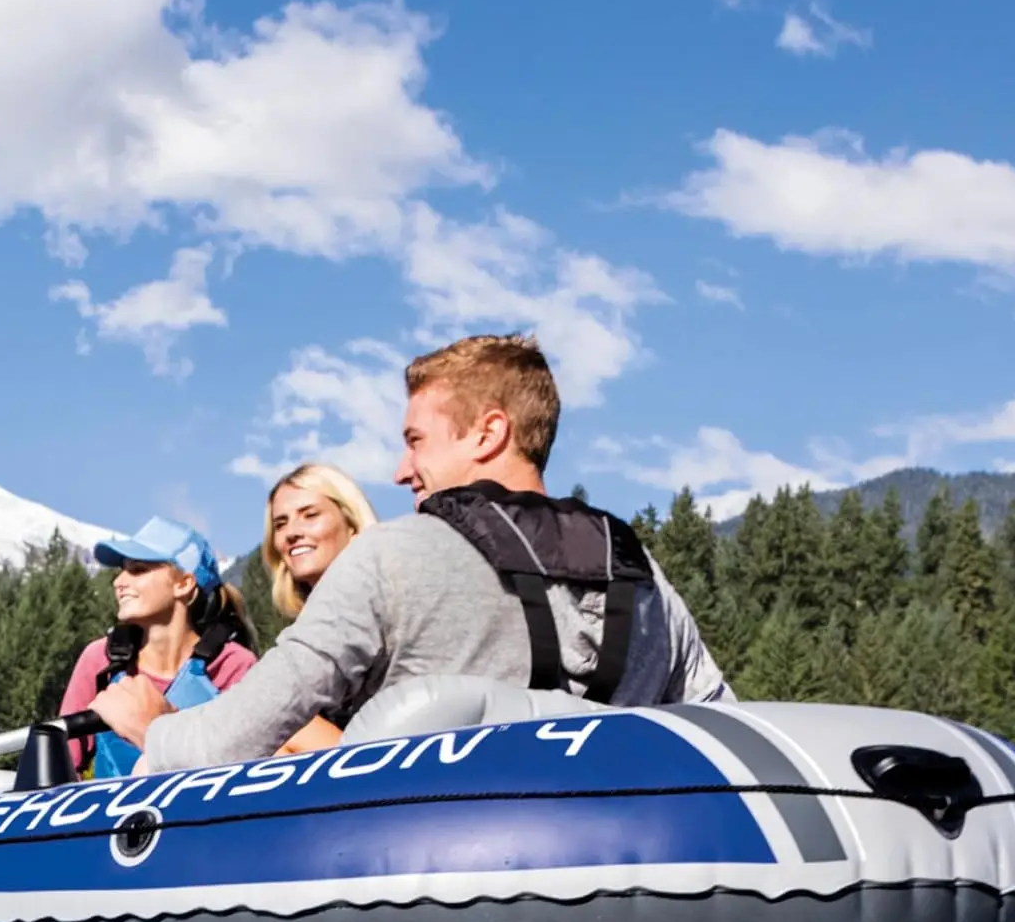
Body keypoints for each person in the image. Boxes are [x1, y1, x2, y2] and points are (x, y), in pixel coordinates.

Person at [93, 333, 731, 772]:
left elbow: (236, 735)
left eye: (415, 440)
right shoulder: (641, 571)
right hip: (618, 890)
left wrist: (155, 724)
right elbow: (725, 727)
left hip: (422, 897)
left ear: (489, 433)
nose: (402, 470)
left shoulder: (391, 555)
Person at [59, 516, 259, 777]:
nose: (118, 582)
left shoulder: (233, 664)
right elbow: (63, 762)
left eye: (138, 569)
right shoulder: (99, 659)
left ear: (184, 584)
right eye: (121, 569)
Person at [262, 463, 379, 752]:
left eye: (310, 515)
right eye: (281, 523)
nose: (292, 533)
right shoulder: (300, 633)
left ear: (352, 525)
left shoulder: (382, 608)